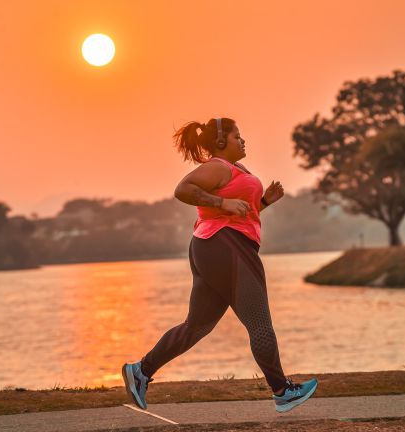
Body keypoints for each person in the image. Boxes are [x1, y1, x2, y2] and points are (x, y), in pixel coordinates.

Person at [122, 117, 317, 413]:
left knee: (197, 325)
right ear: (222, 142)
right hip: (225, 246)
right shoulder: (218, 166)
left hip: (213, 246)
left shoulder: (234, 169)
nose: (243, 140)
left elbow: (239, 210)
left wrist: (263, 201)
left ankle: (141, 371)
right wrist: (221, 203)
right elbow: (183, 190)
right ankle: (282, 390)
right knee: (260, 324)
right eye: (238, 136)